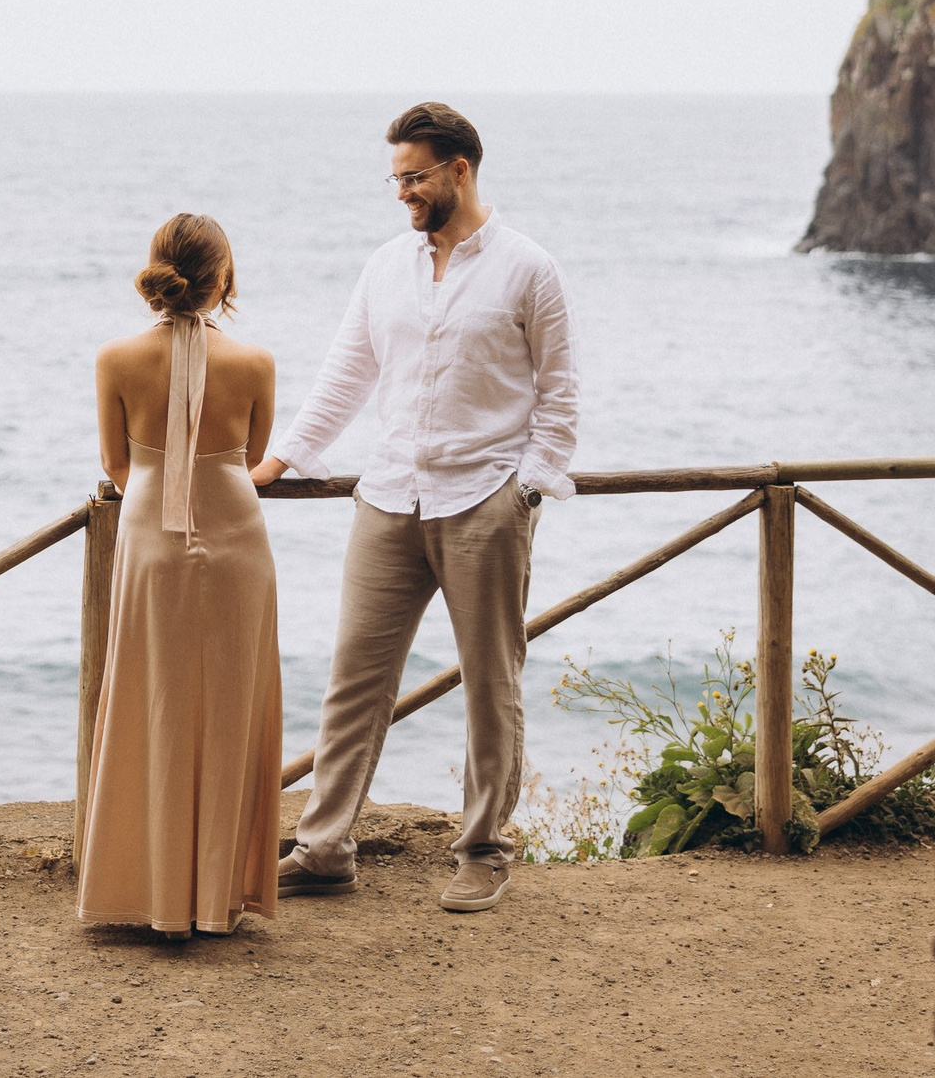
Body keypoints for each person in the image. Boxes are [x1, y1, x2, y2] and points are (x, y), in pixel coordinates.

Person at [250, 102, 578, 913]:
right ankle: (323, 847)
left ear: (458, 170)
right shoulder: (385, 267)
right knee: (353, 678)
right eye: (394, 178)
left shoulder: (529, 268)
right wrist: (280, 461)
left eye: (413, 177)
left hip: (484, 500)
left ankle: (484, 849)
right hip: (388, 495)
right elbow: (345, 374)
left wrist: (527, 488)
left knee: (488, 683)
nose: (401, 193)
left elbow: (560, 394)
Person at [76, 213, 284, 938]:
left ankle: (154, 893)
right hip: (238, 539)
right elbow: (253, 455)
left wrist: (160, 487)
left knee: (150, 701)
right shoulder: (256, 362)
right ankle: (216, 896)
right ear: (222, 277)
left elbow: (116, 463)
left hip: (150, 534)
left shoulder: (114, 358)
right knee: (230, 708)